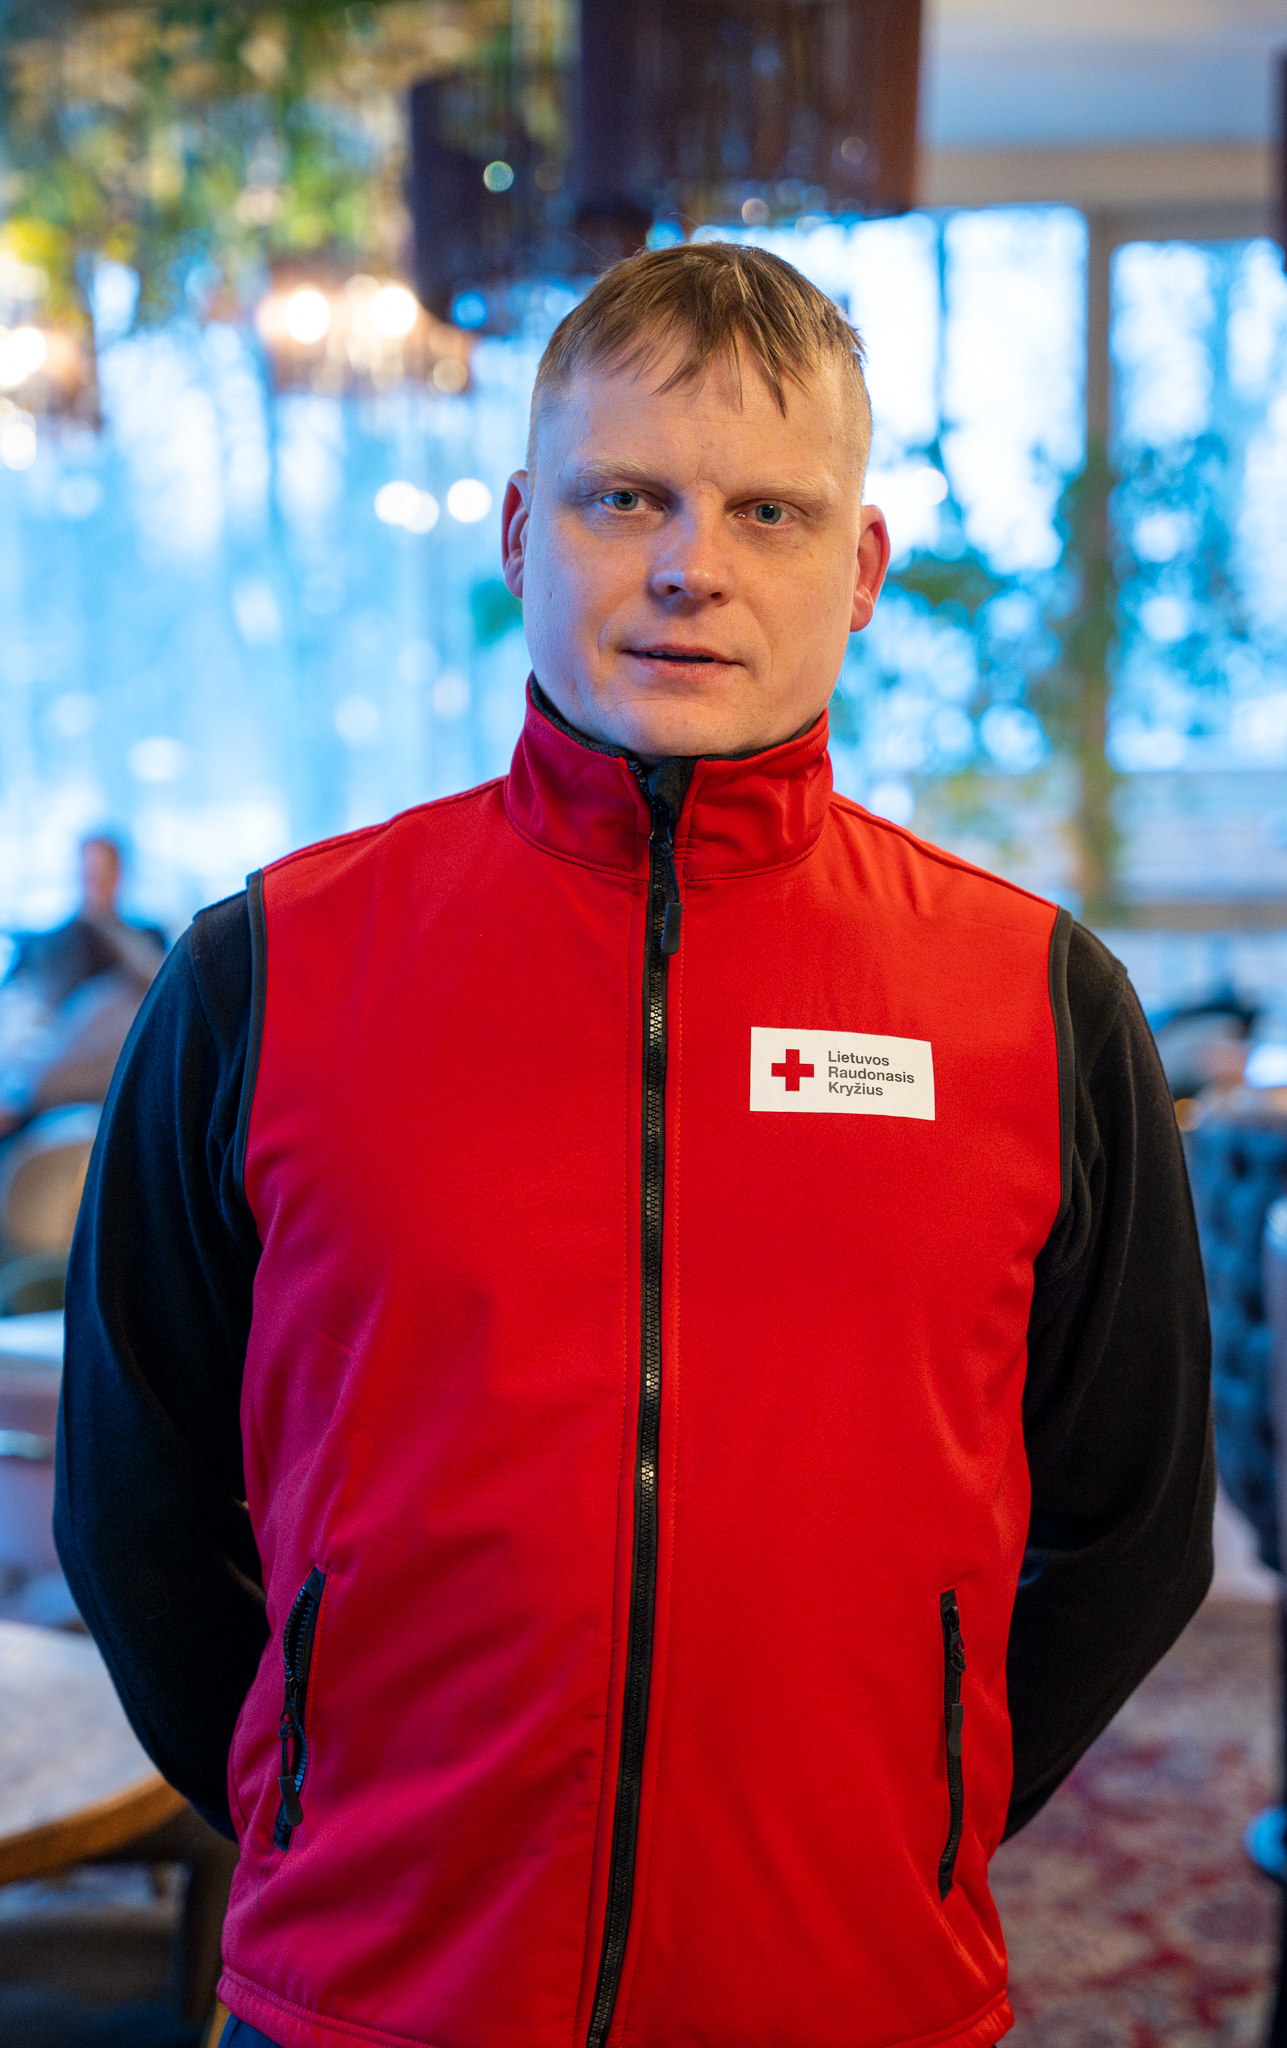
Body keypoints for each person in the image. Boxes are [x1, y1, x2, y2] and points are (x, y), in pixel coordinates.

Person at [57, 244, 1214, 2048]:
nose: (692, 564)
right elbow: (135, 1498)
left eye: (768, 510)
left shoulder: (1035, 1000)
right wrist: (311, 1806)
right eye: (626, 498)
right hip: (372, 1984)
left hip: (852, 1990)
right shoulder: (262, 972)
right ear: (524, 530)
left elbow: (1131, 1527)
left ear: (859, 570)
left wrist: (912, 1817)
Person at [0, 834, 165, 1136]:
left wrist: (104, 924)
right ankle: (23, 1102)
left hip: (116, 1052)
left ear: (120, 874)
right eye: (89, 873)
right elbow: (43, 1014)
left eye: (104, 873)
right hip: (64, 1050)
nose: (96, 882)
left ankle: (23, 1104)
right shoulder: (51, 942)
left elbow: (158, 990)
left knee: (125, 1005)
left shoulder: (146, 935)